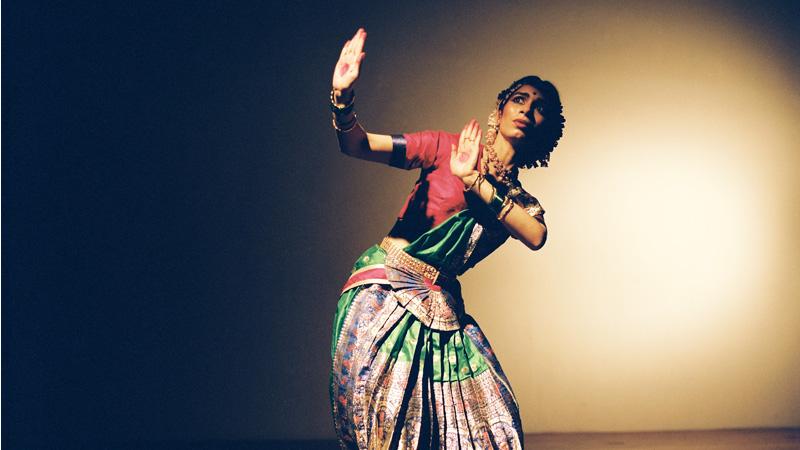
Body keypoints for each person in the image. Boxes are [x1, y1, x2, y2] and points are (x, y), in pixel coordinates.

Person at [329, 28, 565, 449]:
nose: (528, 110)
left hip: (442, 309)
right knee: (386, 427)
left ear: (548, 130)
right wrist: (342, 99)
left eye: (540, 107)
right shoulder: (444, 147)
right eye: (520, 99)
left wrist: (474, 180)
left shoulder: (521, 203)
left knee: (491, 426)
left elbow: (536, 235)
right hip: (384, 293)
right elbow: (358, 145)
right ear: (500, 109)